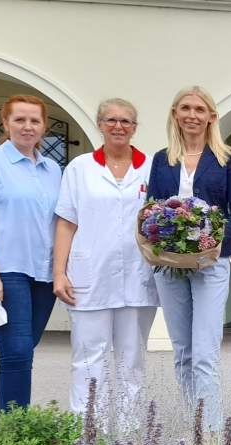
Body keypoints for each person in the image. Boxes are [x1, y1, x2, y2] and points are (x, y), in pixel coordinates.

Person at [147, 86, 231, 429]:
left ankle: (211, 434)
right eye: (185, 108)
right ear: (175, 113)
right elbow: (152, 209)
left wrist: (210, 236)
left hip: (211, 263)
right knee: (183, 351)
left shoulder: (227, 159)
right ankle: (194, 422)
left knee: (205, 352)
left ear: (211, 117)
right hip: (169, 265)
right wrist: (164, 235)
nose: (192, 115)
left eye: (200, 109)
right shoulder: (163, 159)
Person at [53, 99, 158, 414]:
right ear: (99, 125)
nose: (118, 127)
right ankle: (86, 437)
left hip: (139, 279)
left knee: (132, 359)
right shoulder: (80, 168)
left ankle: (128, 433)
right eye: (111, 120)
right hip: (89, 276)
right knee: (87, 359)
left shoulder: (152, 167)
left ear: (135, 128)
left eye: (126, 121)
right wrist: (59, 272)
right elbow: (66, 223)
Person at [0, 94, 62, 413]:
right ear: (5, 123)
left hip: (43, 274)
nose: (27, 126)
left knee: (23, 353)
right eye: (19, 119)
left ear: (44, 126)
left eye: (35, 120)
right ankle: (14, 433)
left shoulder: (52, 170)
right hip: (5, 271)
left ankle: (17, 429)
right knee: (17, 353)